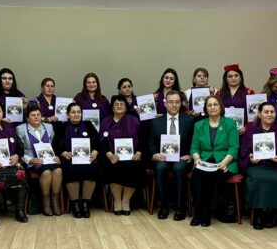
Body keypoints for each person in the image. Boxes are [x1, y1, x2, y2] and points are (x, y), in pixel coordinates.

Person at [239, 102, 277, 229]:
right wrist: (251, 158)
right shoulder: (251, 130)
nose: (269, 114)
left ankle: (275, 212)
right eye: (266, 112)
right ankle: (258, 213)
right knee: (257, 179)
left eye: (272, 112)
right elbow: (243, 151)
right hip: (259, 165)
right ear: (259, 114)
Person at [190, 95, 239, 226]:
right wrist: (197, 159)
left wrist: (224, 162)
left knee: (216, 176)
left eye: (215, 104)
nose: (212, 107)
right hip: (204, 161)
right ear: (205, 108)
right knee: (197, 174)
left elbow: (234, 147)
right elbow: (194, 148)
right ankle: (198, 211)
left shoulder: (230, 123)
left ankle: (207, 212)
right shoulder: (199, 125)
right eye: (209, 105)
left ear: (220, 107)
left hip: (225, 162)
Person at [149, 90, 194, 220]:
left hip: (182, 157)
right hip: (162, 158)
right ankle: (163, 207)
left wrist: (190, 155)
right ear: (165, 104)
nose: (174, 105)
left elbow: (194, 141)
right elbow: (151, 142)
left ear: (181, 103)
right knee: (160, 167)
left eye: (177, 102)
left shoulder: (189, 120)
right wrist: (154, 154)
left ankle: (180, 208)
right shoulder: (156, 121)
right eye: (171, 102)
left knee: (179, 168)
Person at [52, 102, 100, 218]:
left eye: (79, 112)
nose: (76, 114)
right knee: (71, 168)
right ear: (68, 115)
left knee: (92, 168)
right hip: (70, 159)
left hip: (88, 158)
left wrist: (95, 151)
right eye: (73, 112)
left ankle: (85, 203)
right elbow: (55, 145)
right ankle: (75, 204)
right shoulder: (62, 127)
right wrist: (63, 152)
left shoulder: (88, 125)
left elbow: (98, 141)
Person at [100, 95, 143, 215]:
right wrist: (109, 155)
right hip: (112, 157)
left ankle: (126, 200)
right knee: (113, 166)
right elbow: (102, 142)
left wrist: (138, 152)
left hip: (132, 156)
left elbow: (142, 139)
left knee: (134, 167)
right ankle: (117, 200)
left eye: (122, 104)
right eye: (116, 104)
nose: (119, 106)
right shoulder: (106, 122)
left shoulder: (134, 120)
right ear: (112, 108)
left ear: (126, 107)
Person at [16, 103, 62, 216]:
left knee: (58, 170)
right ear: (27, 118)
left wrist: (56, 156)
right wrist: (30, 160)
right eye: (33, 115)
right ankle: (46, 201)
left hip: (49, 159)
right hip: (32, 161)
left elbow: (54, 145)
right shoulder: (20, 129)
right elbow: (19, 150)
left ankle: (55, 200)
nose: (36, 117)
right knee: (46, 172)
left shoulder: (49, 127)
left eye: (38, 115)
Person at [219, 64, 254, 135]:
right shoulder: (220, 93)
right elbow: (216, 112)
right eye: (230, 76)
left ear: (241, 77)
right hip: (224, 130)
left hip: (244, 131)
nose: (233, 78)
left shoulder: (249, 92)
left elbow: (254, 114)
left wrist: (246, 127)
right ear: (226, 79)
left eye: (236, 75)